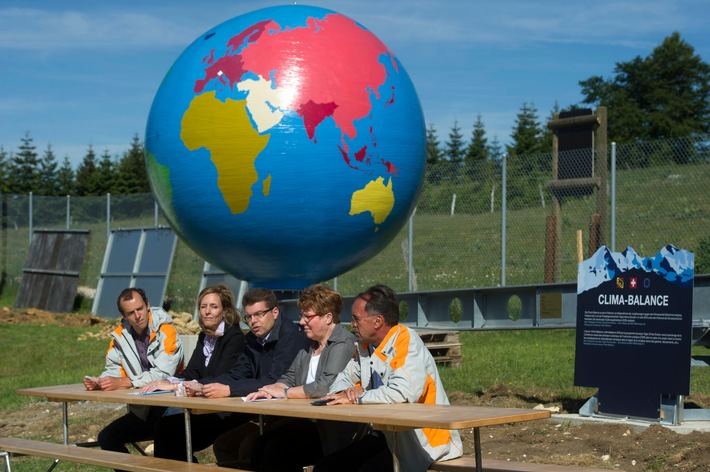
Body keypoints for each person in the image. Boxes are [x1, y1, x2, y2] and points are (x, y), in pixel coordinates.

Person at [313, 284, 463, 472]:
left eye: (356, 319)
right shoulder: (364, 346)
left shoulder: (406, 342)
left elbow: (403, 392)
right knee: (325, 468)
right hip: (387, 435)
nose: (352, 324)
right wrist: (347, 391)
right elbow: (340, 383)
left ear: (377, 321)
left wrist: (360, 396)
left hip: (423, 442)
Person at [150, 287, 310, 462]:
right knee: (168, 428)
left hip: (290, 415)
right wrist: (201, 387)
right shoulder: (252, 339)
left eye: (259, 314)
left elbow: (275, 381)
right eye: (248, 317)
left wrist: (228, 389)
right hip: (260, 410)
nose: (253, 321)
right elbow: (236, 373)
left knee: (250, 446)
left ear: (275, 311)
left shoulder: (290, 336)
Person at [214, 284, 360, 471]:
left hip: (330, 428)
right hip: (305, 420)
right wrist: (270, 390)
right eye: (301, 316)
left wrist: (283, 392)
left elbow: (324, 387)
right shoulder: (310, 345)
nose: (302, 321)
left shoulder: (343, 343)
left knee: (274, 451)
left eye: (308, 316)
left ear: (328, 317)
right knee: (260, 445)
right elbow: (290, 376)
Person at [83, 287, 184, 460]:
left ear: (148, 305)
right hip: (144, 411)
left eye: (140, 309)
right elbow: (114, 368)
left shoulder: (167, 331)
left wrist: (126, 382)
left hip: (173, 409)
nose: (138, 315)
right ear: (124, 316)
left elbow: (163, 374)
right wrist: (102, 382)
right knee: (107, 438)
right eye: (131, 312)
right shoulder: (119, 337)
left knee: (165, 447)